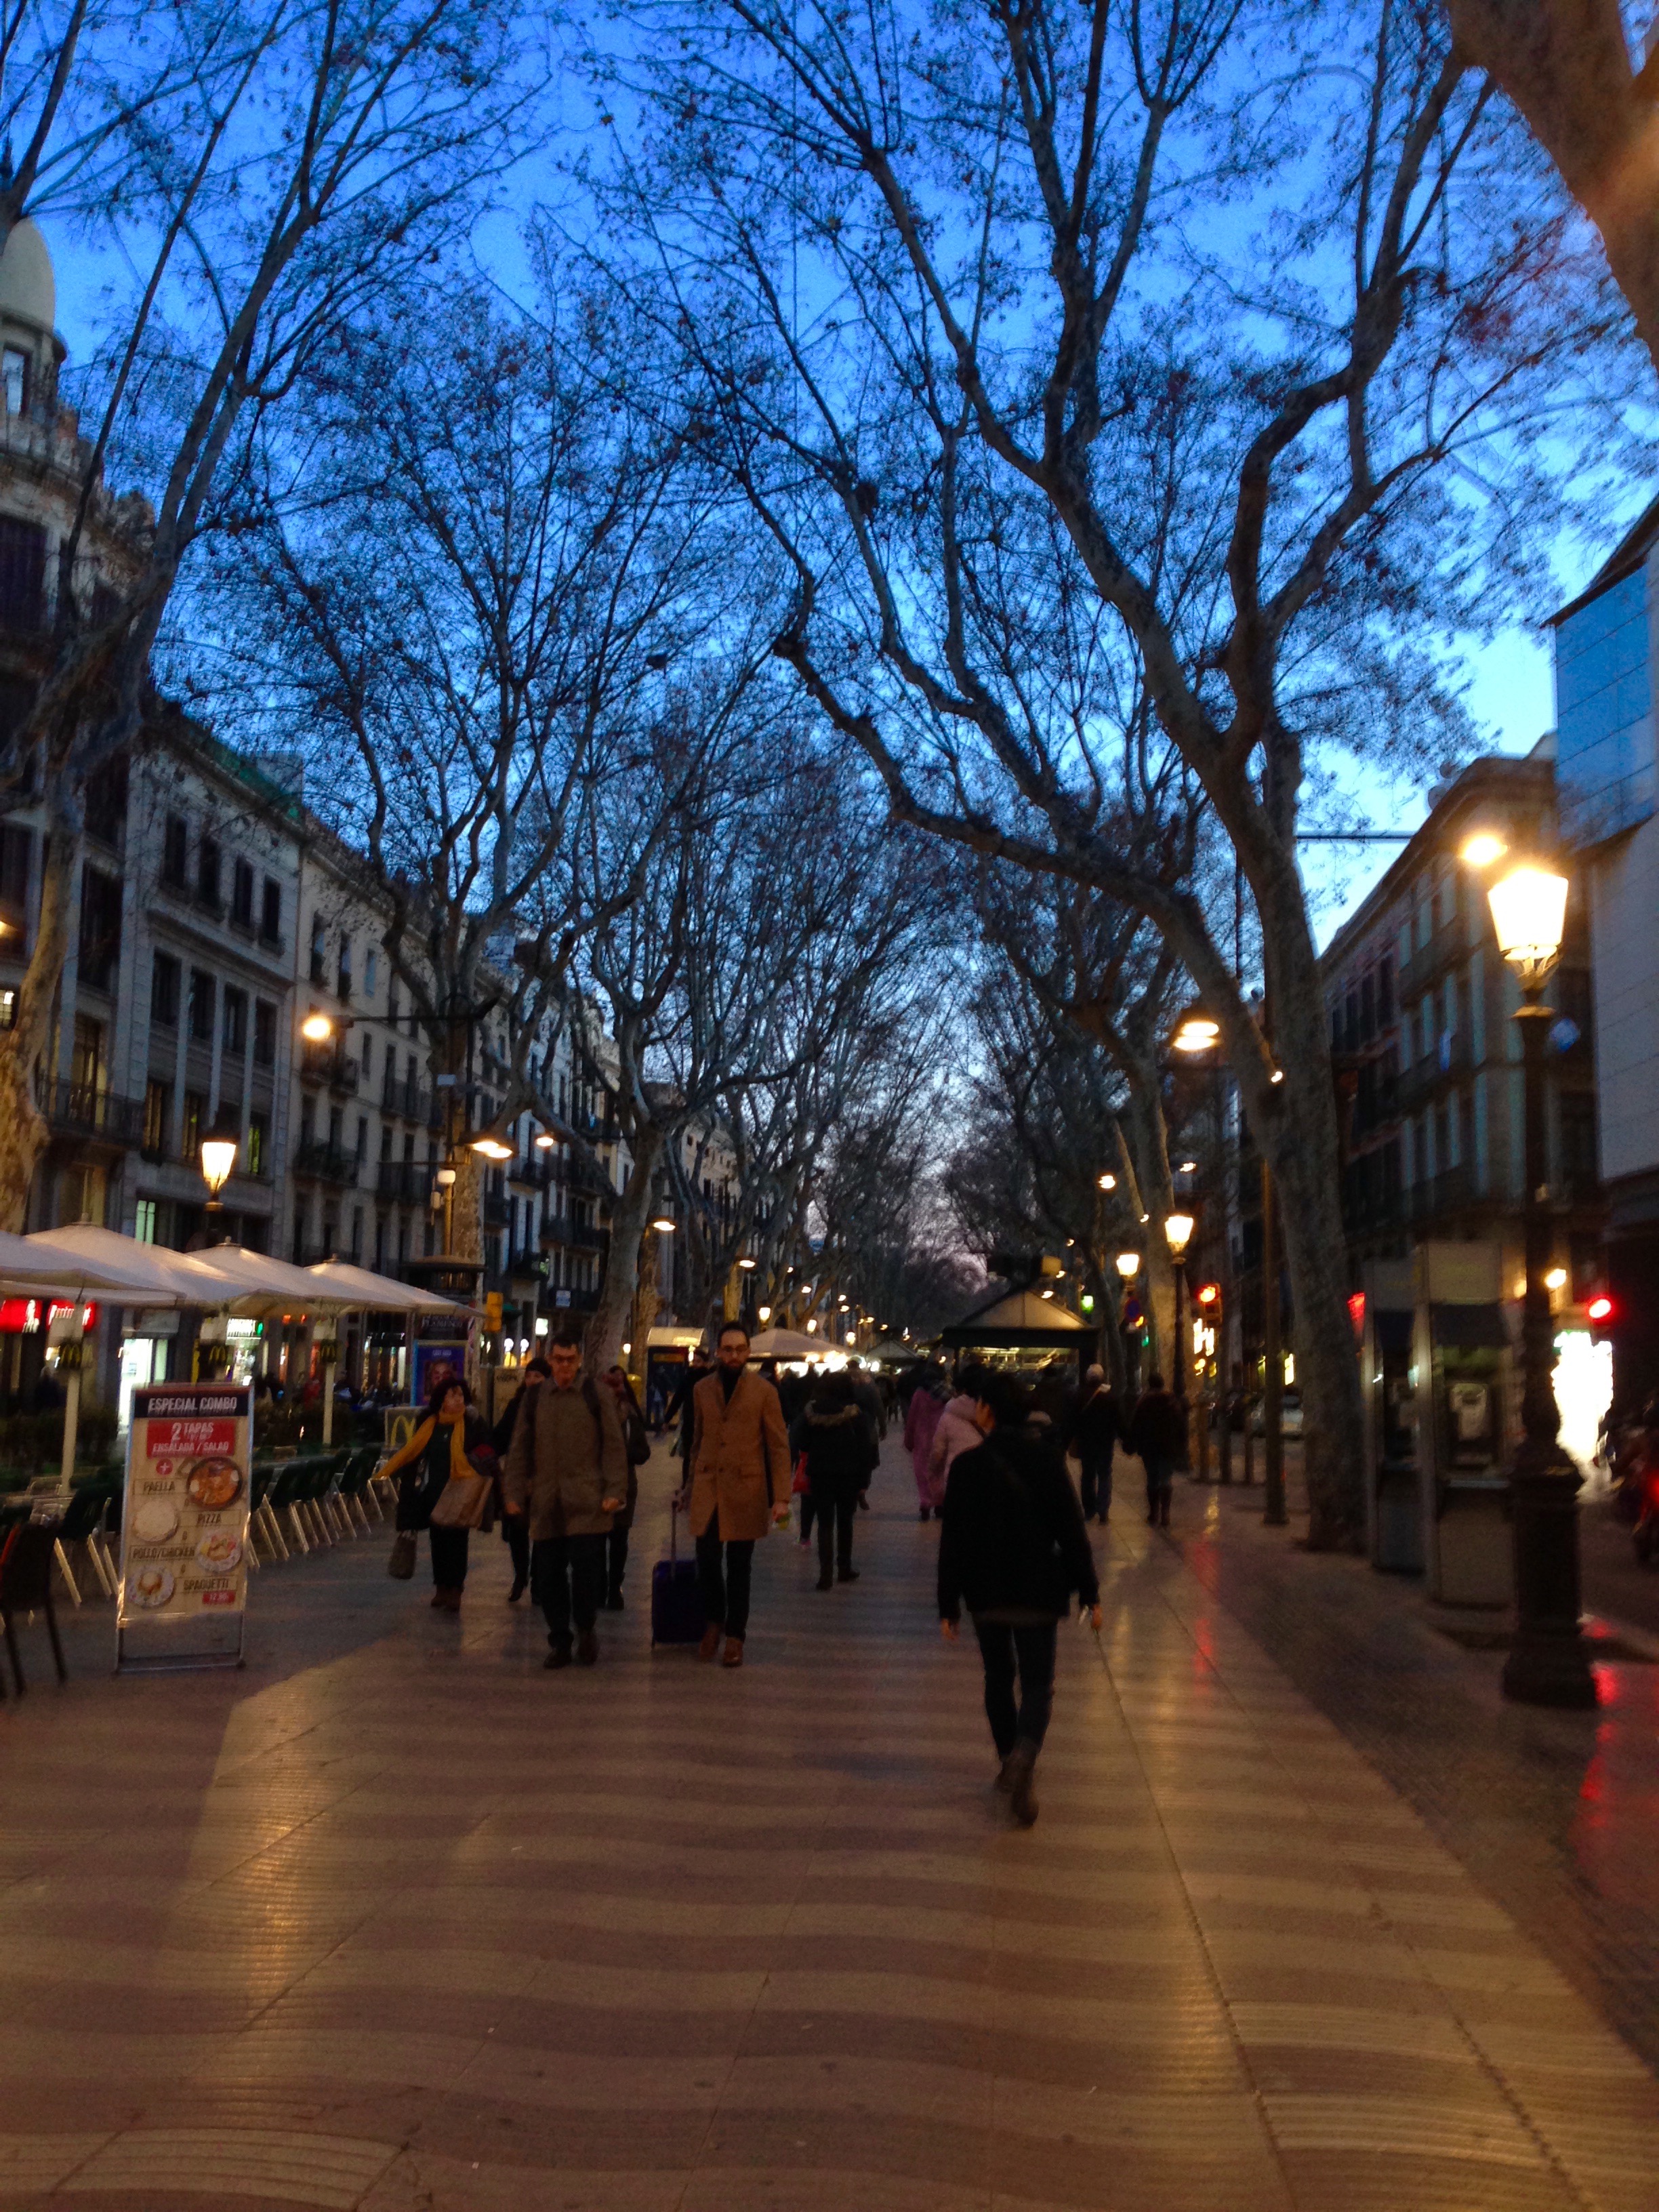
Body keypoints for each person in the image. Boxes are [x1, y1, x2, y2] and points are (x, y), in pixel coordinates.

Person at [938, 1370, 1101, 1828]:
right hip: (1038, 1592)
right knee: (1036, 1684)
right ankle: (1025, 1755)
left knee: (997, 1676)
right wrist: (1090, 1591)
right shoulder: (1048, 1461)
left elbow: (954, 1542)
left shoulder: (968, 1467)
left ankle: (1011, 1756)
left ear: (987, 1411)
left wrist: (947, 1604)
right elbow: (1072, 1531)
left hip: (987, 1594)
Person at [502, 1328, 628, 1668]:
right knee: (549, 1577)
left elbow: (615, 1446)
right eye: (558, 1360)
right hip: (547, 1504)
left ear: (580, 1359)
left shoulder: (595, 1394)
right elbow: (519, 1450)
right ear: (549, 1360)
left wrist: (615, 1491)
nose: (564, 1367)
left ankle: (586, 1628)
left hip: (588, 1502)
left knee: (588, 1573)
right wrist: (513, 1493)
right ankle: (560, 1639)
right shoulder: (535, 1398)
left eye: (570, 1360)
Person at [683, 1319, 791, 1666]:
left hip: (747, 1488)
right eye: (727, 1349)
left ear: (748, 1352)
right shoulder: (702, 1389)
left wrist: (782, 1497)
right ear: (718, 1352)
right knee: (708, 1560)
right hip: (709, 1486)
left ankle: (735, 1636)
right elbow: (695, 1441)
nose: (733, 1355)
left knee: (740, 1567)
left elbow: (777, 1446)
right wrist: (688, 1486)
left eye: (739, 1350)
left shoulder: (764, 1392)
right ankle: (714, 1620)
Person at [381, 1376, 494, 1613]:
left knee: (457, 1542)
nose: (458, 1400)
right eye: (453, 1395)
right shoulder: (429, 1423)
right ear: (442, 1399)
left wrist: (473, 1464)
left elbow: (486, 1449)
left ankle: (456, 1588)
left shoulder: (472, 1424)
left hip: (460, 1493)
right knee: (438, 1542)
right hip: (432, 1492)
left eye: (461, 1395)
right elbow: (415, 1453)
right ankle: (441, 1586)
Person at [796, 1369, 879, 1589]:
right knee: (845, 1522)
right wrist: (864, 1480)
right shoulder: (855, 1414)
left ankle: (825, 1575)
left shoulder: (812, 1411)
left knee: (824, 1523)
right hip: (848, 1475)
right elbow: (865, 1448)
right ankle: (844, 1567)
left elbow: (801, 1442)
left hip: (820, 1474)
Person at [492, 1355, 551, 1601]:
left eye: (538, 1376)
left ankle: (539, 1582)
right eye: (529, 1376)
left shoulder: (555, 1405)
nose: (533, 1380)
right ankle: (520, 1576)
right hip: (518, 1477)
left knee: (541, 1531)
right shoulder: (517, 1404)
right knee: (517, 1530)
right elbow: (501, 1437)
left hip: (545, 1478)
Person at [601, 1362, 652, 1608]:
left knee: (619, 1539)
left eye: (617, 1385)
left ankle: (613, 1587)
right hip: (597, 1485)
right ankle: (600, 1586)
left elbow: (643, 1452)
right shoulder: (592, 1416)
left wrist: (621, 1454)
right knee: (598, 1538)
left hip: (624, 1485)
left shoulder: (630, 1416)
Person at [1128, 1371, 1186, 1528]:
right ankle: (1165, 1513)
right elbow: (1181, 1426)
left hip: (1149, 1447)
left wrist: (1132, 1444)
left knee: (1152, 1479)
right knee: (1166, 1479)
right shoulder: (1172, 1402)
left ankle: (1154, 1513)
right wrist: (1181, 1446)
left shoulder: (1143, 1403)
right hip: (1168, 1447)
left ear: (1149, 1384)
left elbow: (1136, 1426)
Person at [1068, 1364, 1122, 1525]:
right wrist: (1128, 1440)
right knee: (1105, 1475)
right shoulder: (1110, 1398)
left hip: (1086, 1444)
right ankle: (1103, 1510)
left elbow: (1072, 1422)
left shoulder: (1079, 1397)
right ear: (1102, 1378)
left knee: (1087, 1476)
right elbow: (1119, 1421)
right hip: (1105, 1444)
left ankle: (1089, 1509)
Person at [928, 1361, 990, 1496]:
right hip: (989, 1476)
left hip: (956, 1477)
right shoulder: (993, 1413)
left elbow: (938, 1450)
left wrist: (932, 1470)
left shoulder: (950, 1413)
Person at [903, 1367, 946, 1519]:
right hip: (942, 1437)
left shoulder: (919, 1394)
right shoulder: (946, 1396)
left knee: (922, 1473)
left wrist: (908, 1441)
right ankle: (940, 1502)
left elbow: (912, 1419)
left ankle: (926, 1503)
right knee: (939, 1471)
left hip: (922, 1439)